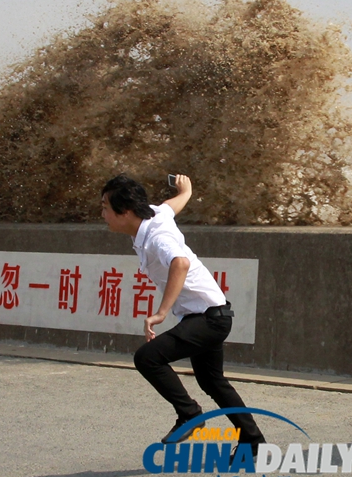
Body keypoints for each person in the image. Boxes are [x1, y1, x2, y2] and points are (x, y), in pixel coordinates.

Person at [100, 174, 265, 454]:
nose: (101, 213)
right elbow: (174, 203)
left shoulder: (158, 237)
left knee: (147, 358)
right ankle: (253, 442)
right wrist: (185, 189)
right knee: (212, 381)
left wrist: (161, 313)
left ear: (125, 212)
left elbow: (181, 263)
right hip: (211, 314)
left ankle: (189, 414)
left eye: (104, 207)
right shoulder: (156, 214)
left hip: (208, 319)